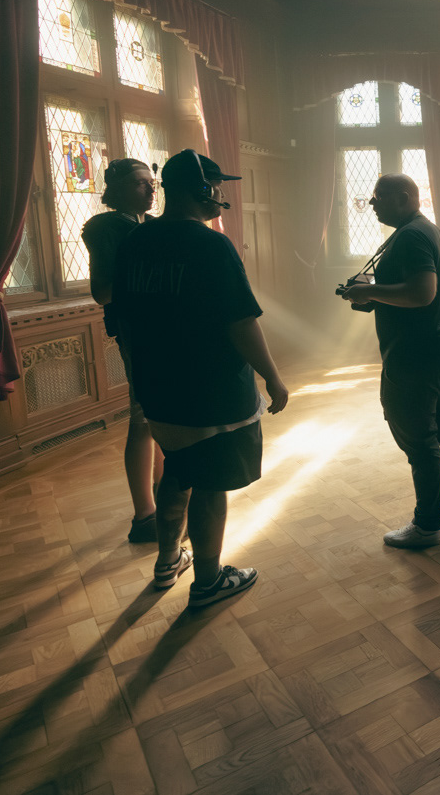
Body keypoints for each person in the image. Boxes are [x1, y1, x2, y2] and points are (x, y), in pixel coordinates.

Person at [113, 149, 289, 608]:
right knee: (210, 484)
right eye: (217, 187)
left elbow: (124, 320)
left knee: (178, 468)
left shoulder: (134, 242)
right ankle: (209, 581)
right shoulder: (212, 245)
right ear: (203, 189)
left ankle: (168, 560)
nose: (221, 195)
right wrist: (273, 378)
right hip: (211, 391)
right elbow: (241, 322)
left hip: (158, 389)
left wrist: (139, 377)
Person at [339, 174, 440, 548]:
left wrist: (370, 291)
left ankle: (426, 526)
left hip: (418, 355)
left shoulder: (411, 236)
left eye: (379, 196)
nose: (372, 203)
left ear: (403, 197)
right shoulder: (425, 230)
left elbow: (423, 293)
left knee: (420, 441)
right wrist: (373, 294)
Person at [82, 158, 163, 543]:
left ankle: (164, 494)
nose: (150, 189)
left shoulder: (150, 225)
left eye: (152, 182)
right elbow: (102, 292)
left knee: (161, 416)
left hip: (163, 330)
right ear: (117, 190)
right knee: (143, 419)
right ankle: (145, 515)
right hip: (139, 332)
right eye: (139, 183)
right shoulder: (107, 227)